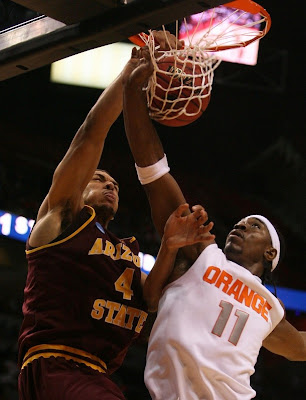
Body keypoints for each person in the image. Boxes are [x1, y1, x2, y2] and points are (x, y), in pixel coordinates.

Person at [121, 45, 306, 399]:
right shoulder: (200, 252)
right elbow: (154, 173)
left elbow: (299, 346)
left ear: (270, 253)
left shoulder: (270, 308)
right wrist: (132, 92)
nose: (240, 226)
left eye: (254, 226)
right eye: (241, 222)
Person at [17, 31, 183, 400]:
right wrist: (132, 71)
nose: (111, 185)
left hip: (98, 374)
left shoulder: (126, 249)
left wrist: (170, 247)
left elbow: (150, 300)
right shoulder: (62, 219)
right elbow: (92, 132)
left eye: (115, 185)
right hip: (57, 363)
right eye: (98, 179)